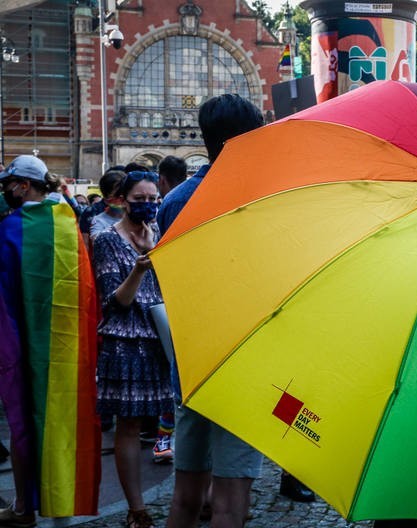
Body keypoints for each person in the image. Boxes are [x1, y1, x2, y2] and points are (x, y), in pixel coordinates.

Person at [159, 94, 265, 528]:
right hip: (244, 359)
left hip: (192, 358)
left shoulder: (174, 202)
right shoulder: (261, 200)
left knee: (185, 496)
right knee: (230, 498)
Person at [0, 155, 101, 525]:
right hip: (66, 346)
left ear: (24, 186)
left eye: (9, 184)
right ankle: (54, 510)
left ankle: (26, 508)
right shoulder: (66, 223)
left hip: (22, 345)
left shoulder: (11, 228)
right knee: (63, 420)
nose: (6, 191)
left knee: (24, 423)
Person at [92, 170, 173, 528]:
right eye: (139, 200)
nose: (148, 205)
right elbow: (115, 302)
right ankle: (136, 508)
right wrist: (140, 269)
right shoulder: (108, 239)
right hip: (125, 344)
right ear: (122, 200)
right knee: (128, 427)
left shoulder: (157, 233)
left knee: (158, 424)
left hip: (157, 340)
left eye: (152, 199)